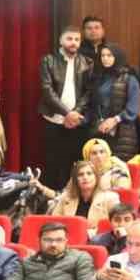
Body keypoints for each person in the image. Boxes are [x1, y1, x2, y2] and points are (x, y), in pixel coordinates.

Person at [39, 26, 93, 190]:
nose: (73, 43)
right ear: (61, 41)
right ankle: (51, 203)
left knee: (73, 163)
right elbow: (47, 90)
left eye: (77, 39)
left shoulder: (87, 62)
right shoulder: (49, 60)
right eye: (69, 39)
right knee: (53, 163)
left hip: (76, 121)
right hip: (53, 119)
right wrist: (67, 113)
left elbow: (89, 91)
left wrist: (75, 113)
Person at [0, 222, 96, 280]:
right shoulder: (26, 262)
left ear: (66, 241)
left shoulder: (80, 258)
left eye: (59, 240)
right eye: (48, 240)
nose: (53, 244)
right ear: (39, 240)